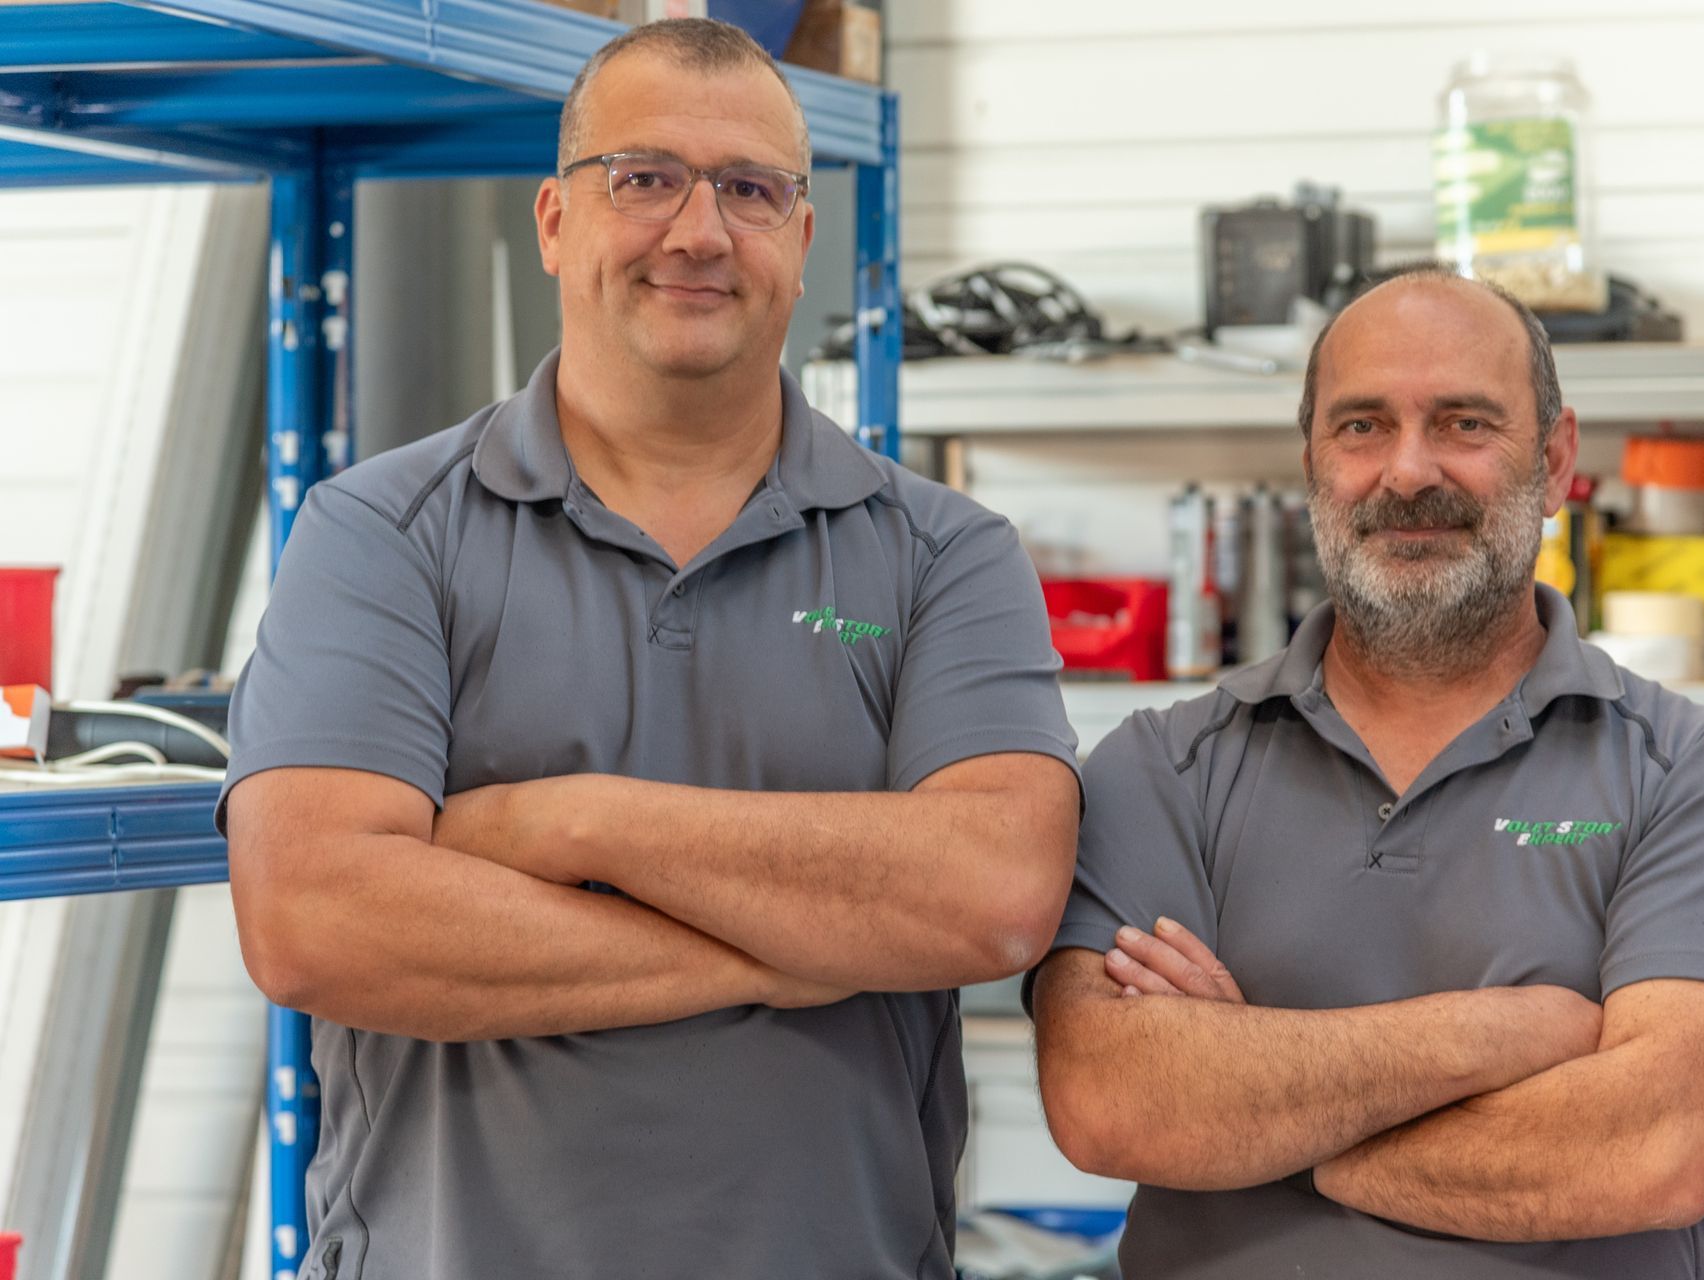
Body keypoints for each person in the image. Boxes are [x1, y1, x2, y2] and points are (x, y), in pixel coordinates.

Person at [220, 19, 1080, 1280]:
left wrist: (569, 821)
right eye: (644, 178)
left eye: (749, 189)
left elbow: (994, 893)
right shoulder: (382, 532)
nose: (698, 231)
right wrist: (798, 947)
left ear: (801, 237)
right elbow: (315, 919)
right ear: (555, 220)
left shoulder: (943, 554)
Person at [1029, 267, 1704, 1279]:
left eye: (1464, 423)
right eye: (1362, 426)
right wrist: (1502, 1033)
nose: (1408, 472)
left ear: (1556, 459)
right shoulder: (1162, 768)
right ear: (1312, 460)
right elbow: (1108, 1102)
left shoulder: (1697, 776)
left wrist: (1256, 1111)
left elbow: (1654, 1148)